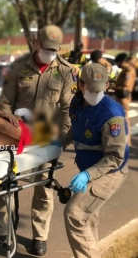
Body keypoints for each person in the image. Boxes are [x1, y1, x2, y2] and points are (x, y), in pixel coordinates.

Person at [0, 24, 75, 255]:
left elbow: (67, 109)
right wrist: (7, 125)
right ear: (37, 43)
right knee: (6, 184)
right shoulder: (18, 67)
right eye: (47, 48)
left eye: (55, 49)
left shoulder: (65, 71)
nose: (51, 53)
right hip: (18, 136)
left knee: (44, 188)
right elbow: (5, 103)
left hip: (47, 137)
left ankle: (40, 236)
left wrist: (62, 141)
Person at [53, 63, 129, 258]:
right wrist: (59, 145)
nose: (96, 94)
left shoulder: (112, 115)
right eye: (91, 89)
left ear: (106, 85)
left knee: (75, 214)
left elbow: (115, 157)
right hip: (90, 167)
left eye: (100, 89)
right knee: (86, 217)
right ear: (81, 85)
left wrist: (88, 175)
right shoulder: (78, 103)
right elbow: (75, 129)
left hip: (111, 170)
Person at [113, 52, 136, 146]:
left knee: (125, 119)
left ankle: (127, 141)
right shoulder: (124, 70)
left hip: (123, 97)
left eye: (118, 63)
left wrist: (113, 87)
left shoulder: (129, 71)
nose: (117, 65)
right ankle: (122, 140)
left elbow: (125, 87)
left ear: (123, 61)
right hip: (119, 97)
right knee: (120, 118)